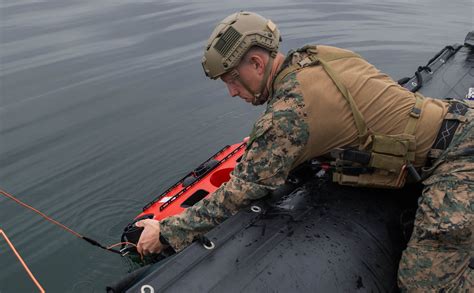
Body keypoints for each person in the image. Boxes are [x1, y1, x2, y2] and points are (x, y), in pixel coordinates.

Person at [135, 11, 473, 291]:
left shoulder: (289, 112)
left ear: (256, 62)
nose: (232, 93)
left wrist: (167, 231)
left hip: (460, 156)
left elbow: (242, 189)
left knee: (422, 283)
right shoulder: (317, 56)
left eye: (232, 81)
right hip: (457, 122)